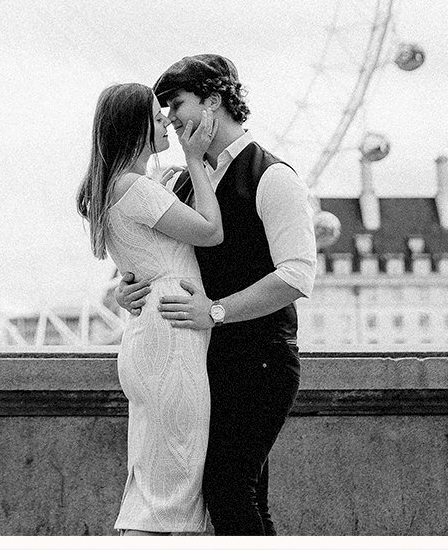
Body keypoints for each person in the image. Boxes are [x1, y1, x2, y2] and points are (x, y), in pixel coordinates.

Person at [115, 55, 315, 536]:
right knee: (238, 494)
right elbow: (165, 254)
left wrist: (215, 311)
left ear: (213, 99)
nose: (168, 117)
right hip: (206, 359)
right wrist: (129, 288)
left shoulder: (273, 176)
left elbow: (298, 274)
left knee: (228, 488)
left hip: (261, 358)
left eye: (176, 102)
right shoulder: (186, 180)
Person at [76, 80, 225, 535]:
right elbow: (209, 231)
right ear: (135, 126)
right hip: (170, 338)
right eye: (156, 116)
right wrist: (197, 162)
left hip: (149, 335)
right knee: (176, 488)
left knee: (153, 481)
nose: (166, 121)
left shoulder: (113, 187)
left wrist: (124, 292)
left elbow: (138, 264)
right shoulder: (135, 186)